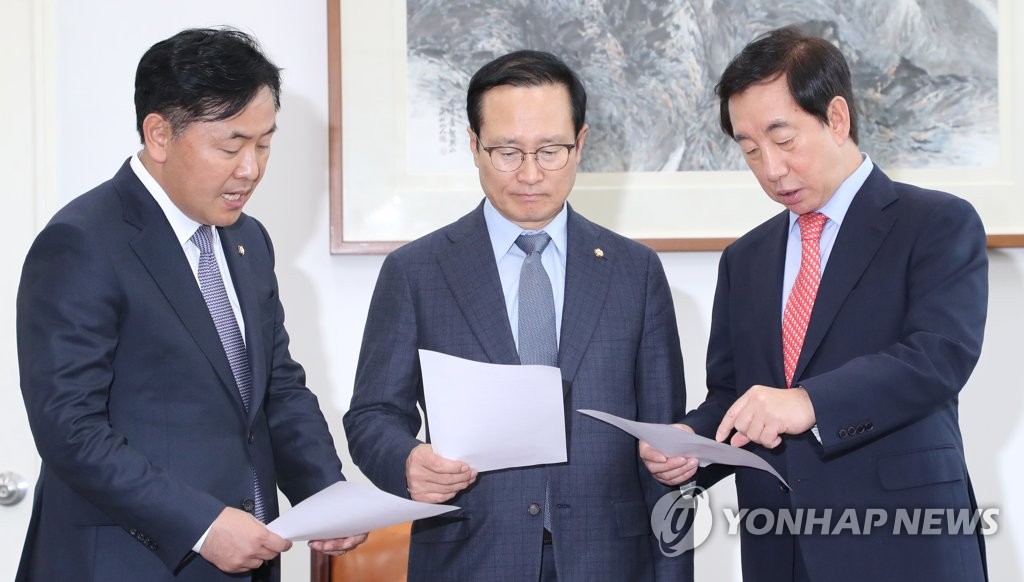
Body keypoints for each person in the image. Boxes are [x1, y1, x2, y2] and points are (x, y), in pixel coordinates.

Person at [15, 27, 365, 582]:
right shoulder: (83, 241)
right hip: (127, 565)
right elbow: (69, 429)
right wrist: (202, 525)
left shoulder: (248, 239)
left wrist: (325, 492)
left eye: (264, 144)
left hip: (248, 562)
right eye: (230, 146)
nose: (251, 168)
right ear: (159, 134)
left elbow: (276, 387)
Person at [641, 26, 989, 581]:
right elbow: (734, 394)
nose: (770, 169)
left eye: (783, 140)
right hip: (779, 547)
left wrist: (809, 402)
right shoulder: (745, 258)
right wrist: (692, 447)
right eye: (750, 150)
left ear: (837, 118)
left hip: (905, 542)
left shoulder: (936, 222)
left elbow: (938, 357)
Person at [344, 50, 691, 581]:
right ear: (473, 146)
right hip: (470, 558)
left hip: (611, 561)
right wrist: (408, 461)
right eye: (507, 152)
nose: (530, 174)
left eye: (550, 150)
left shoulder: (635, 271)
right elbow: (372, 415)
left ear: (580, 143)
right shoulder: (416, 271)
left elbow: (667, 444)